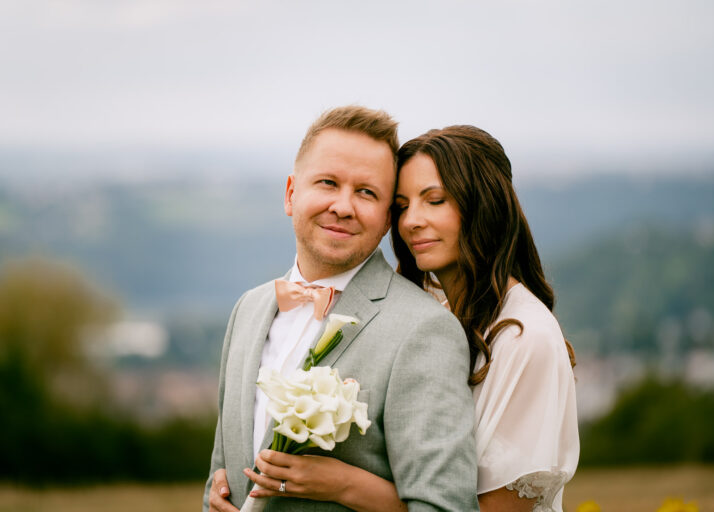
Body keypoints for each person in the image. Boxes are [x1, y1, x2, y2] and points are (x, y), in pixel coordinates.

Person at [246, 125, 579, 512]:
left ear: (485, 205)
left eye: (434, 200)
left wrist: (345, 484)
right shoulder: (427, 316)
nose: (411, 221)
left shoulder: (526, 337)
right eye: (402, 206)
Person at [203, 108, 479, 512]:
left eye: (366, 192)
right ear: (291, 194)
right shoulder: (248, 310)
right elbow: (221, 471)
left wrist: (346, 487)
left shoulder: (425, 331)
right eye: (328, 183)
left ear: (387, 218)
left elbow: (445, 506)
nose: (343, 206)